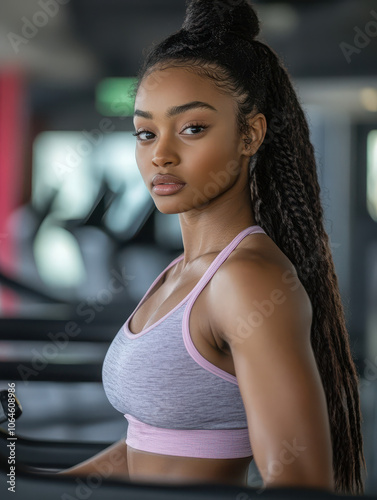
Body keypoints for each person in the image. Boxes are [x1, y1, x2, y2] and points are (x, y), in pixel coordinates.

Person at [56, 0, 366, 494]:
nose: (161, 153)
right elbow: (148, 447)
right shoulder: (182, 271)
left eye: (192, 128)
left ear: (250, 134)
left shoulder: (246, 280)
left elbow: (302, 483)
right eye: (145, 131)